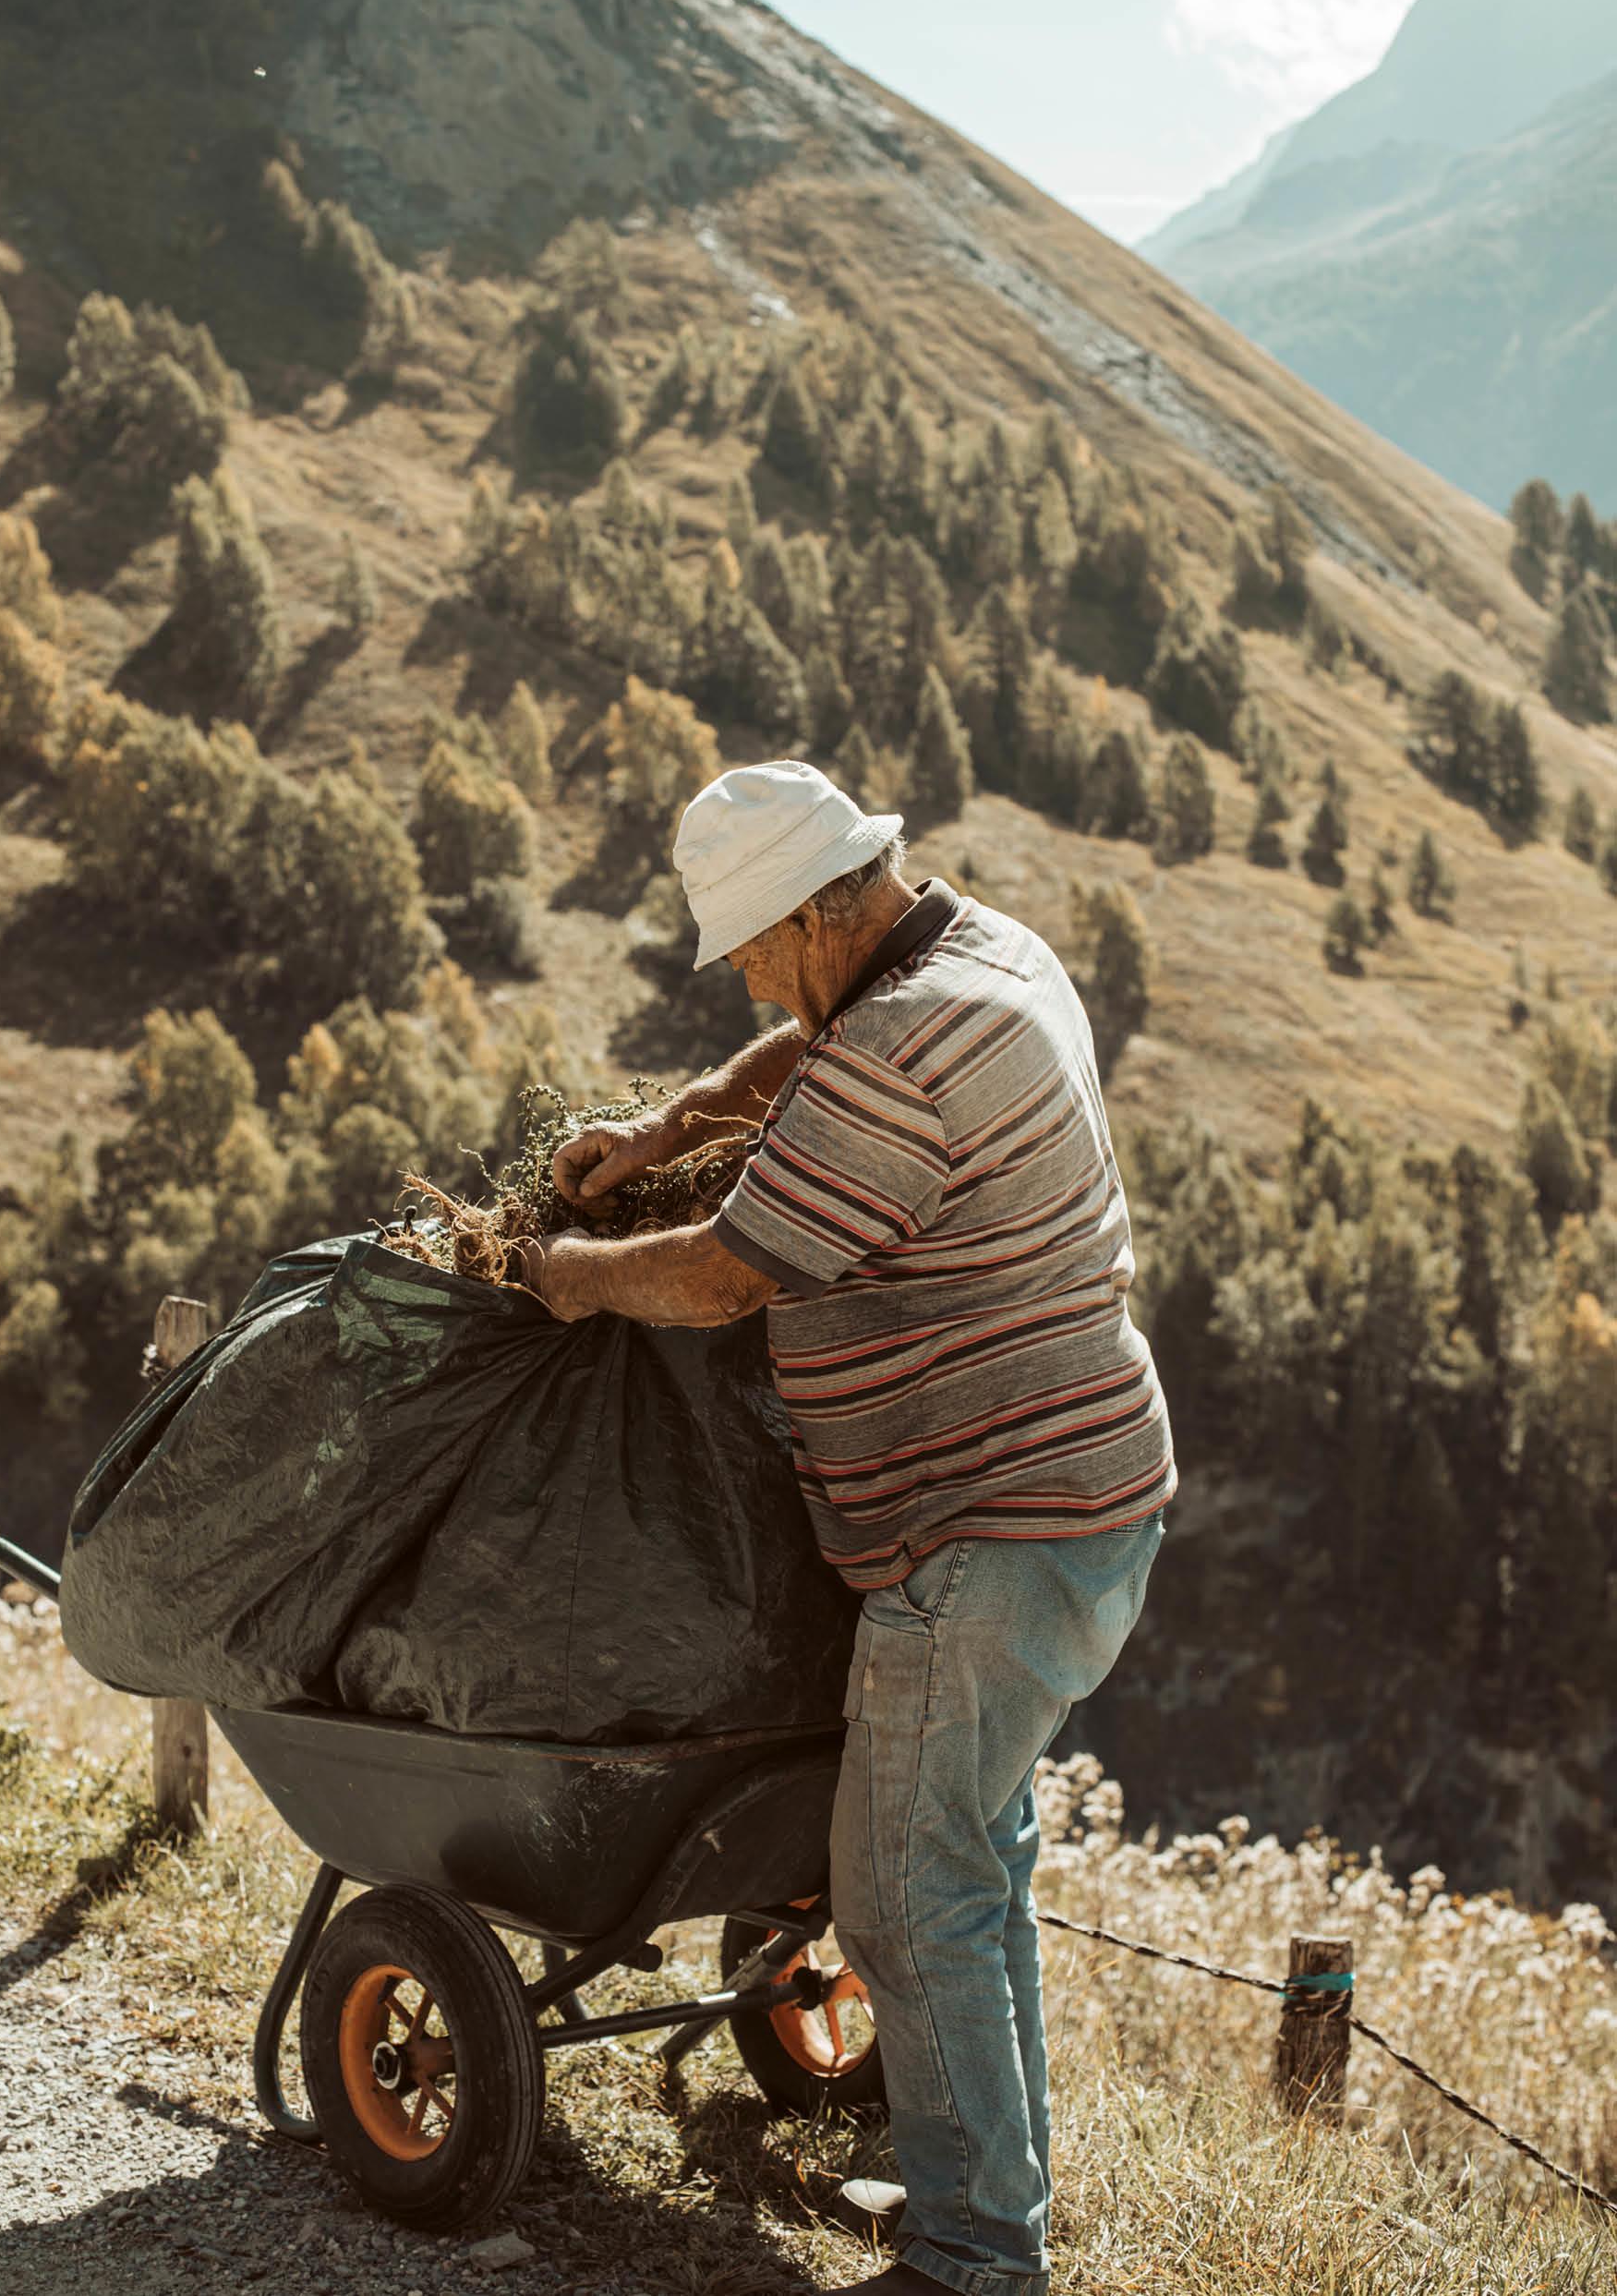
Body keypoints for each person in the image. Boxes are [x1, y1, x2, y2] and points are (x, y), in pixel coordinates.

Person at [526, 761, 1175, 2296]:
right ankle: (993, 2198)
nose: (748, 978)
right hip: (1083, 1497)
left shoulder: (900, 1048)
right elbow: (799, 1047)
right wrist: (680, 1113)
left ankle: (969, 2261)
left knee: (901, 1891)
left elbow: (729, 1272)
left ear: (824, 908)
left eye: (753, 948)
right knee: (974, 1859)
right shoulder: (983, 953)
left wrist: (570, 1271)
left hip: (987, 1526)